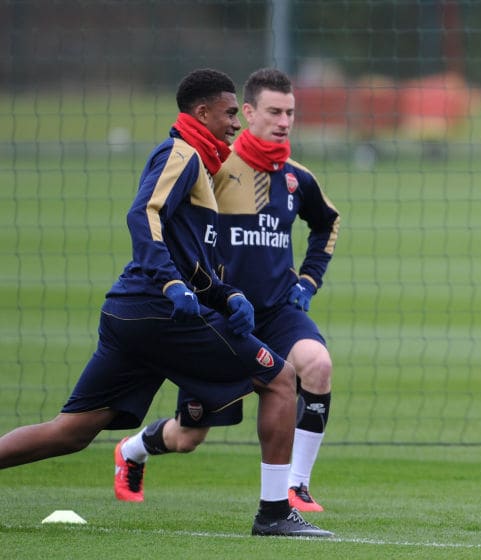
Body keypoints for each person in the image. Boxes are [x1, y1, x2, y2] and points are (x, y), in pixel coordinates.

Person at [0, 68, 331, 538]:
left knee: (72, 431)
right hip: (160, 311)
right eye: (230, 112)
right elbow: (145, 213)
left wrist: (224, 292)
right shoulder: (181, 152)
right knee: (279, 378)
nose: (236, 122)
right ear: (202, 112)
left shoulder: (204, 162)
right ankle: (276, 513)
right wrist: (172, 285)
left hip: (131, 314)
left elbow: (190, 253)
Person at [117, 67, 340, 513]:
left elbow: (327, 223)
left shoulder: (298, 178)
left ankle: (296, 487)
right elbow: (164, 220)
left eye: (291, 112)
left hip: (277, 313)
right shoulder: (214, 166)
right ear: (249, 112)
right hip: (222, 317)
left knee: (316, 365)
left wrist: (308, 280)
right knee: (188, 436)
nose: (284, 121)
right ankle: (132, 452)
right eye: (274, 111)